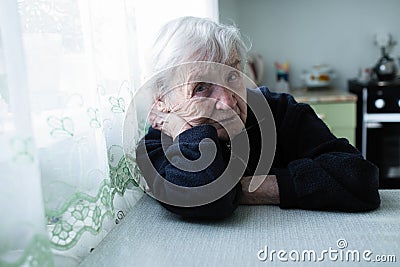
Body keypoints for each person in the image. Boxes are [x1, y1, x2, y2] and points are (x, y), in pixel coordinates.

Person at [136, 16, 380, 219]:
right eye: (201, 87)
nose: (228, 101)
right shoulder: (156, 146)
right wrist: (186, 134)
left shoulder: (277, 110)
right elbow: (206, 202)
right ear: (162, 101)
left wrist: (246, 188)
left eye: (232, 77)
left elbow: (361, 179)